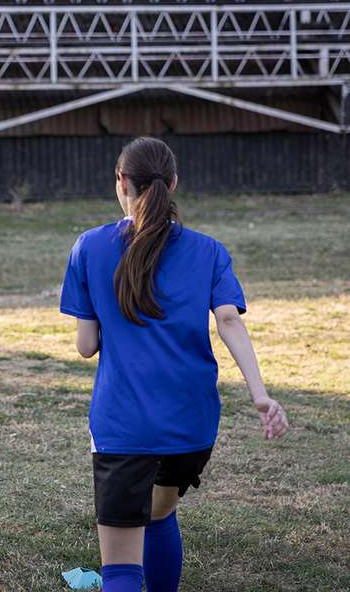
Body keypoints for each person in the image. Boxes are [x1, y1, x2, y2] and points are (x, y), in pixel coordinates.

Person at [59, 137, 289, 592]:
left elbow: (86, 346)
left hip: (123, 425)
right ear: (174, 183)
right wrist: (260, 396)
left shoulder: (89, 247)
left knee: (121, 568)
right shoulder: (208, 251)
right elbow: (228, 320)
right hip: (191, 426)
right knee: (160, 514)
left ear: (121, 183)